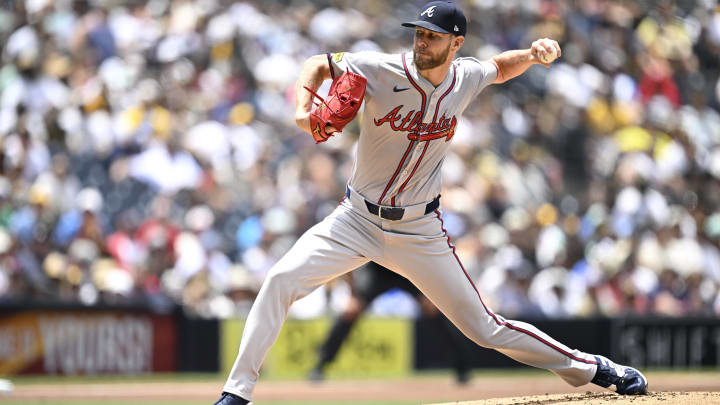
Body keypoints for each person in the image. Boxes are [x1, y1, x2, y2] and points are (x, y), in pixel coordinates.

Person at [214, 2, 648, 404]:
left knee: (485, 328)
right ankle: (236, 394)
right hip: (355, 220)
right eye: (419, 34)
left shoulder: (465, 77)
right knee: (279, 281)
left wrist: (532, 55)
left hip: (419, 230)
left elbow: (498, 67)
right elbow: (316, 64)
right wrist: (303, 107)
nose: (422, 42)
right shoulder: (379, 67)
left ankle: (595, 369)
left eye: (433, 36)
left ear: (456, 43)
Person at [308, 261, 473, 384]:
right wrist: (353, 294)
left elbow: (431, 251)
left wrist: (433, 290)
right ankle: (321, 364)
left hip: (408, 269)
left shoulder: (414, 217)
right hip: (378, 271)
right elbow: (349, 259)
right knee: (351, 312)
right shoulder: (367, 217)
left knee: (433, 310)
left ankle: (462, 365)